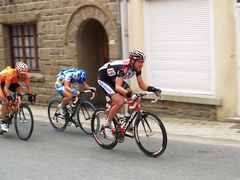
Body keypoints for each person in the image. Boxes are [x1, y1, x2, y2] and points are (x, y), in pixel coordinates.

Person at [98, 50, 161, 139]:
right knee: (120, 102)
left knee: (134, 98)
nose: (142, 64)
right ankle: (106, 125)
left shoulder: (137, 68)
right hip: (104, 79)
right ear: (133, 61)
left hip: (114, 79)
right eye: (140, 62)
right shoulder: (124, 68)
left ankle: (127, 121)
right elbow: (117, 87)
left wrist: (153, 89)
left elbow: (141, 85)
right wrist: (130, 94)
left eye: (143, 62)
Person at [0, 61, 33, 132]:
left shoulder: (25, 77)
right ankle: (3, 123)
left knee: (21, 92)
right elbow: (6, 88)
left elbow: (29, 87)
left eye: (25, 74)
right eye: (22, 74)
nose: (24, 76)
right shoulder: (11, 74)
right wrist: (8, 96)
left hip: (12, 82)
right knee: (6, 101)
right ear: (17, 72)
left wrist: (30, 94)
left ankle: (14, 107)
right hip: (2, 82)